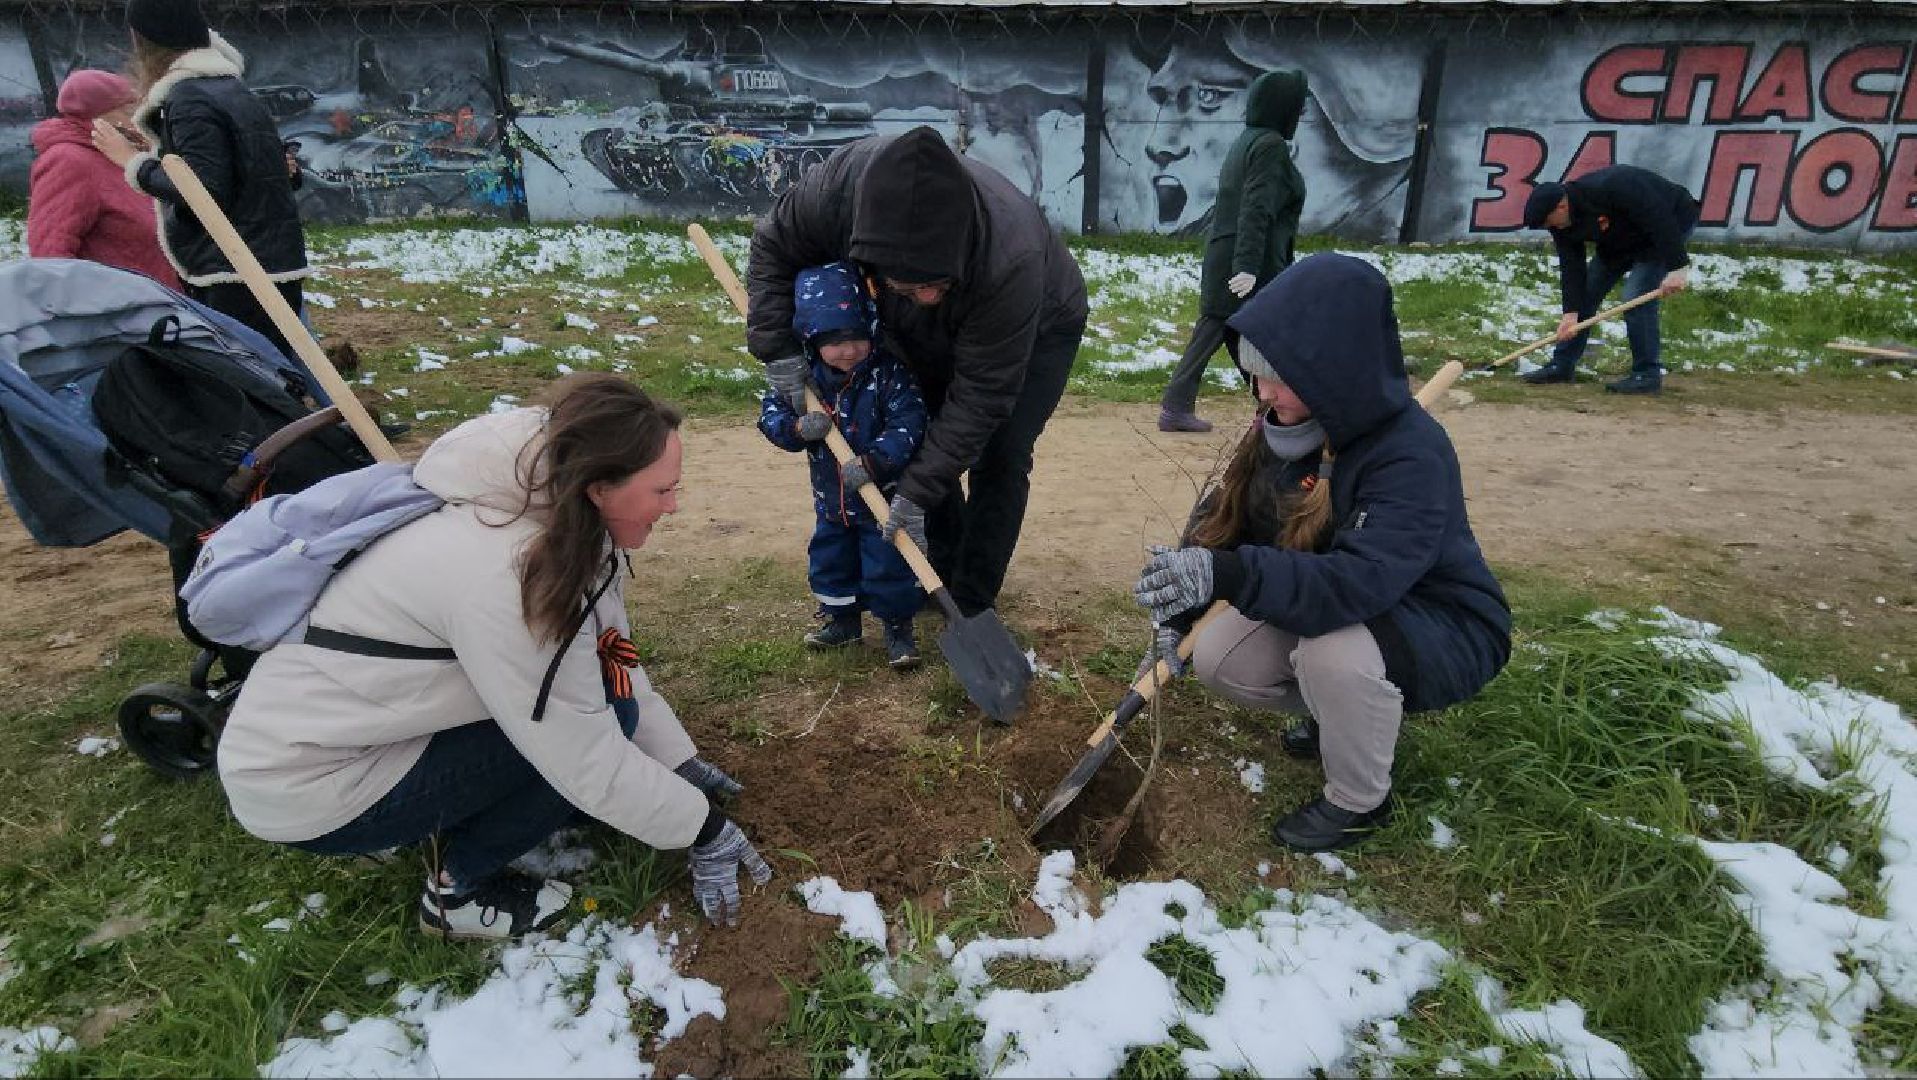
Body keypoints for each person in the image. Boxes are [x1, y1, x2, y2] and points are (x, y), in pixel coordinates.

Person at [216, 375, 773, 939]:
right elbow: (579, 754)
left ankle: (489, 809)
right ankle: (457, 892)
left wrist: (674, 758)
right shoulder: (506, 573)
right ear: (599, 486)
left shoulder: (557, 516)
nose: (674, 507)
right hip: (310, 781)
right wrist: (704, 829)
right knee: (582, 741)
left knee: (611, 715)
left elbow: (608, 658)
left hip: (366, 734)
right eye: (662, 491)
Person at [1133, 254, 1511, 854]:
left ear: (1338, 371)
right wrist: (1183, 603)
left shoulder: (1410, 455)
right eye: (1255, 375)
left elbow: (1356, 584)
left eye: (1281, 379)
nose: (1264, 394)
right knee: (1220, 657)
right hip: (1344, 611)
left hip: (1436, 620)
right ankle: (1343, 718)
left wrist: (1230, 575)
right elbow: (1222, 523)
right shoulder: (1279, 427)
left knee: (1332, 655)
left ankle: (1360, 801)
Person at [748, 125, 1088, 619]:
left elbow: (981, 398)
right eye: (909, 284)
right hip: (908, 314)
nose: (926, 297)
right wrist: (776, 345)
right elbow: (774, 249)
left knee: (1002, 451)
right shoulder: (837, 192)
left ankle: (970, 600)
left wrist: (915, 491)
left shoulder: (1010, 259)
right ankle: (936, 570)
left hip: (1038, 327)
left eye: (935, 284)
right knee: (920, 425)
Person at [89, 0, 310, 362]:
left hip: (234, 271)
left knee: (249, 381)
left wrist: (133, 162)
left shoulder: (189, 97)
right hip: (265, 260)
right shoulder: (230, 88)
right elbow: (271, 172)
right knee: (271, 375)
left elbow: (204, 189)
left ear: (142, 39)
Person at [758, 263, 928, 670]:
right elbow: (769, 419)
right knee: (832, 561)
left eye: (857, 337)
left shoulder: (887, 375)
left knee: (890, 564)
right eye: (835, 342)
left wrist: (875, 461)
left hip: (879, 499)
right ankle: (842, 620)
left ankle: (898, 630)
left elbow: (911, 422)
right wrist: (798, 427)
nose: (849, 350)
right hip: (831, 501)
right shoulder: (802, 383)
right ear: (812, 341)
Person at [1159, 69, 1307, 433]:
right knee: (1259, 333)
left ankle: (1260, 408)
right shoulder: (1269, 146)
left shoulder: (1248, 140)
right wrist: (1247, 266)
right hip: (1247, 260)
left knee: (1236, 332)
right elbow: (1256, 207)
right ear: (1282, 107)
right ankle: (1271, 410)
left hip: (1234, 254)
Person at [1518, 164, 1701, 396]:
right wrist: (1570, 313)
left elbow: (1658, 218)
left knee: (1636, 296)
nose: (1551, 228)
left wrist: (1678, 267)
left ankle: (1647, 374)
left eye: (1550, 223)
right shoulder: (1561, 223)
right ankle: (1561, 365)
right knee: (1587, 294)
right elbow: (1572, 267)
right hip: (1619, 240)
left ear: (1561, 206)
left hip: (1667, 225)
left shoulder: (1614, 187)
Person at [26, 70, 181, 289]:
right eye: (128, 109)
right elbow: (50, 252)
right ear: (102, 117)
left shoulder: (122, 154)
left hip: (154, 303)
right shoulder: (69, 161)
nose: (139, 117)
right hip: (117, 311)